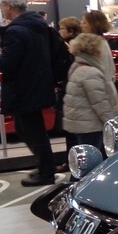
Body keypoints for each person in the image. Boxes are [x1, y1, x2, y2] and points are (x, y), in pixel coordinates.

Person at [0, 0, 57, 186]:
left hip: (24, 88)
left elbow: (6, 64)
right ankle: (45, 167)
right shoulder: (38, 26)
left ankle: (47, 172)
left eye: (1, 5)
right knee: (26, 129)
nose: (1, 9)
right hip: (36, 85)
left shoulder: (16, 31)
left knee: (32, 131)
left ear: (9, 6)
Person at [63, 33, 118, 156]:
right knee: (92, 161)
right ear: (94, 51)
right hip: (91, 125)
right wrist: (112, 123)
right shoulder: (91, 73)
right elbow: (100, 103)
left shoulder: (76, 67)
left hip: (82, 122)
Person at [54, 17, 82, 171]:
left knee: (72, 131)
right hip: (67, 89)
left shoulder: (72, 47)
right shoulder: (68, 45)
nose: (60, 31)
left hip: (70, 91)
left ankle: (72, 162)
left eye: (62, 28)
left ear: (70, 31)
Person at [80, 10, 115, 83]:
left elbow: (105, 72)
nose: (81, 25)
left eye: (84, 23)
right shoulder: (100, 42)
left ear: (93, 25)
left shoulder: (97, 45)